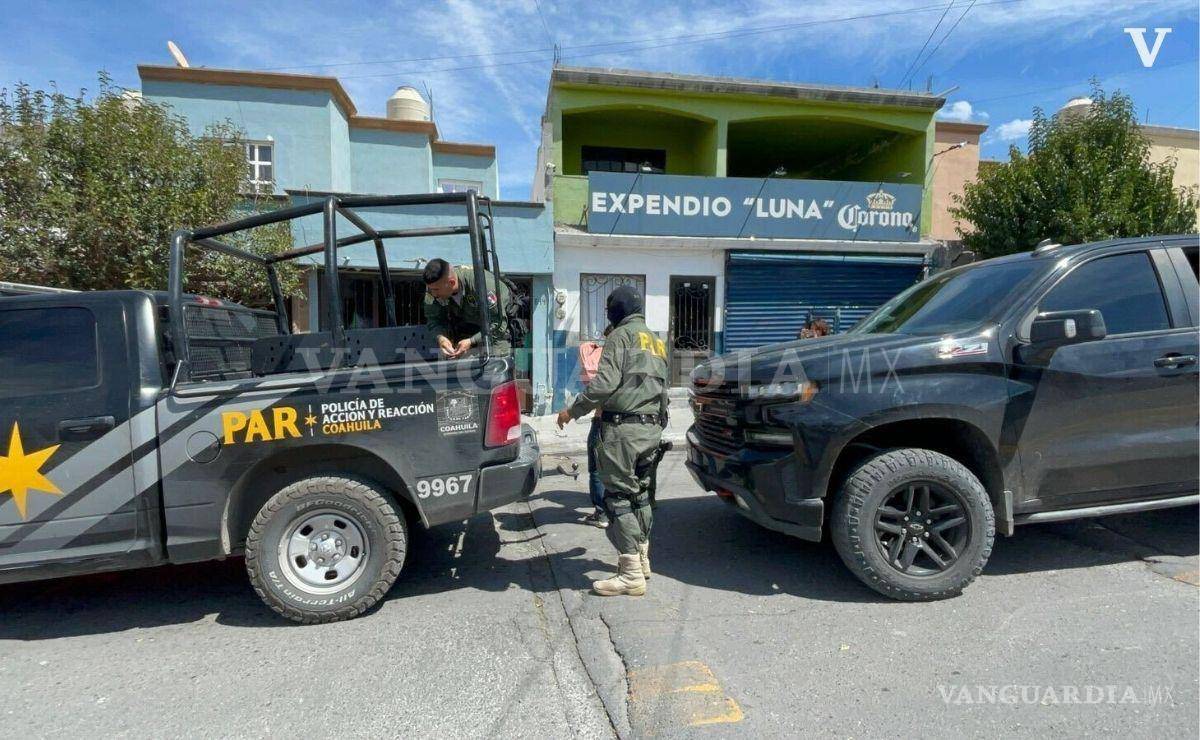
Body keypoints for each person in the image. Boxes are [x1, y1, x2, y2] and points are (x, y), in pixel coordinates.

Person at [555, 286, 668, 596]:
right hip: (651, 429)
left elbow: (604, 385)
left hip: (623, 431)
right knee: (641, 495)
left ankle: (630, 573)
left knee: (618, 498)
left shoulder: (621, 336)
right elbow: (663, 392)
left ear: (618, 310)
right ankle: (643, 560)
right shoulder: (656, 341)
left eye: (609, 310)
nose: (608, 315)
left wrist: (572, 411)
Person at [423, 258, 511, 358]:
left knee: (496, 360)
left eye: (436, 290)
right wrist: (441, 338)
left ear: (451, 283)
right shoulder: (433, 290)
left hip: (495, 333)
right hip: (465, 330)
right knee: (452, 361)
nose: (433, 294)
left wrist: (472, 341)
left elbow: (499, 324)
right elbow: (434, 320)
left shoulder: (483, 285)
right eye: (430, 289)